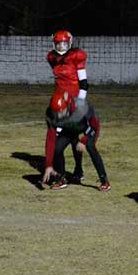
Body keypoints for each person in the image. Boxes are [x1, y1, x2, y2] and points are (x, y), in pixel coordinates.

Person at [41, 91, 110, 192]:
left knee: (90, 147)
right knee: (57, 147)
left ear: (68, 106)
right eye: (55, 113)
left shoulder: (81, 107)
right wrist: (48, 165)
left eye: (61, 112)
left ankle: (104, 180)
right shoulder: (51, 114)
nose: (58, 116)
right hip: (71, 127)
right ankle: (61, 178)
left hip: (87, 127)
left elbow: (94, 126)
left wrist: (84, 140)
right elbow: (50, 140)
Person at [47, 29, 91, 183]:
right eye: (58, 43)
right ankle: (59, 172)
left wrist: (80, 101)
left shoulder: (76, 56)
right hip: (60, 99)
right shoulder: (51, 57)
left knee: (73, 137)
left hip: (74, 99)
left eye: (64, 43)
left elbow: (84, 83)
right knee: (57, 133)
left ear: (70, 42)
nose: (60, 46)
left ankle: (78, 169)